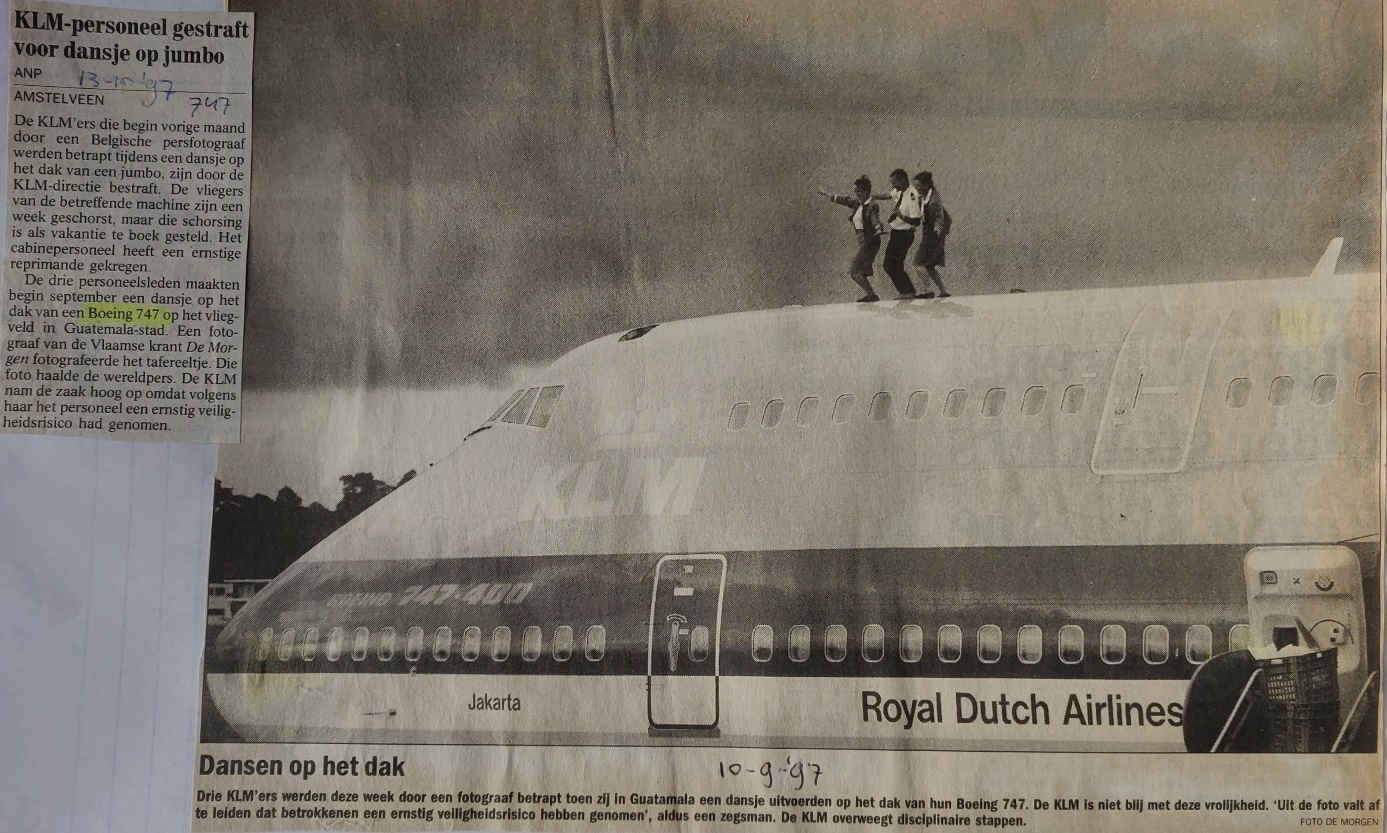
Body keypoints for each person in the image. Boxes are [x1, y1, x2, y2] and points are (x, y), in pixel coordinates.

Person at [818, 176, 885, 302]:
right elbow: (843, 200)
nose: (857, 193)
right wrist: (826, 193)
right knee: (858, 271)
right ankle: (871, 295)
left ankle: (872, 295)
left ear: (867, 191)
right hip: (862, 241)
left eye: (859, 191)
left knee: (854, 271)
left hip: (870, 241)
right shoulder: (857, 204)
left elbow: (875, 219)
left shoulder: (872, 205)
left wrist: (878, 229)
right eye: (855, 191)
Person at [874, 168, 925, 298]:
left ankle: (908, 292)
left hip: (904, 235)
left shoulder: (912, 195)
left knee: (889, 264)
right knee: (894, 264)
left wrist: (901, 217)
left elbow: (916, 221)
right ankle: (908, 291)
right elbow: (888, 195)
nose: (892, 186)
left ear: (902, 180)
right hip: (896, 233)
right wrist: (873, 196)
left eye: (894, 182)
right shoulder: (900, 191)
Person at [912, 171, 951, 298]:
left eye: (918, 186)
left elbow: (939, 217)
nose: (916, 188)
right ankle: (943, 291)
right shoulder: (925, 196)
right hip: (931, 235)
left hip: (932, 236)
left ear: (926, 185)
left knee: (918, 263)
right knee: (929, 266)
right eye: (915, 185)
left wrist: (938, 229)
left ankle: (927, 291)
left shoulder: (933, 201)